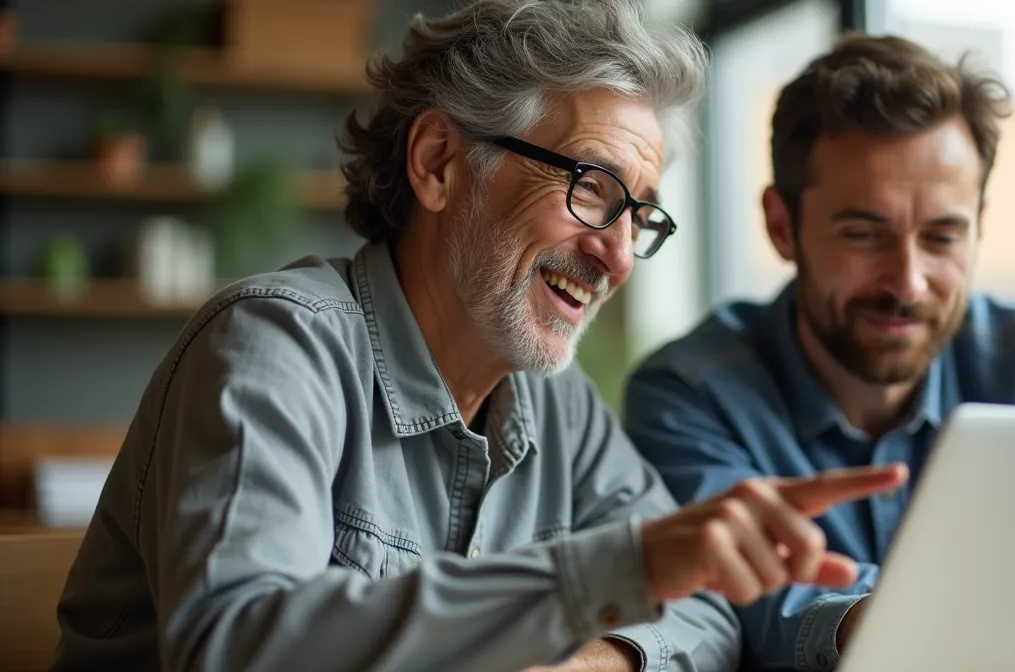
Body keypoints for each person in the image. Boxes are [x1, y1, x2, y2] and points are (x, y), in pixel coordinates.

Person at [50, 4, 911, 671]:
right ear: (437, 163)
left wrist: (596, 656)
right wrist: (606, 576)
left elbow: (708, 614)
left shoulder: (557, 407)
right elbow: (234, 647)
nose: (616, 252)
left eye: (639, 215)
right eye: (591, 186)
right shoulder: (277, 345)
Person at [623, 33, 1015, 671]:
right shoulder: (688, 393)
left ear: (978, 225)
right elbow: (737, 608)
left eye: (942, 236)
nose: (908, 281)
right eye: (864, 233)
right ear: (782, 226)